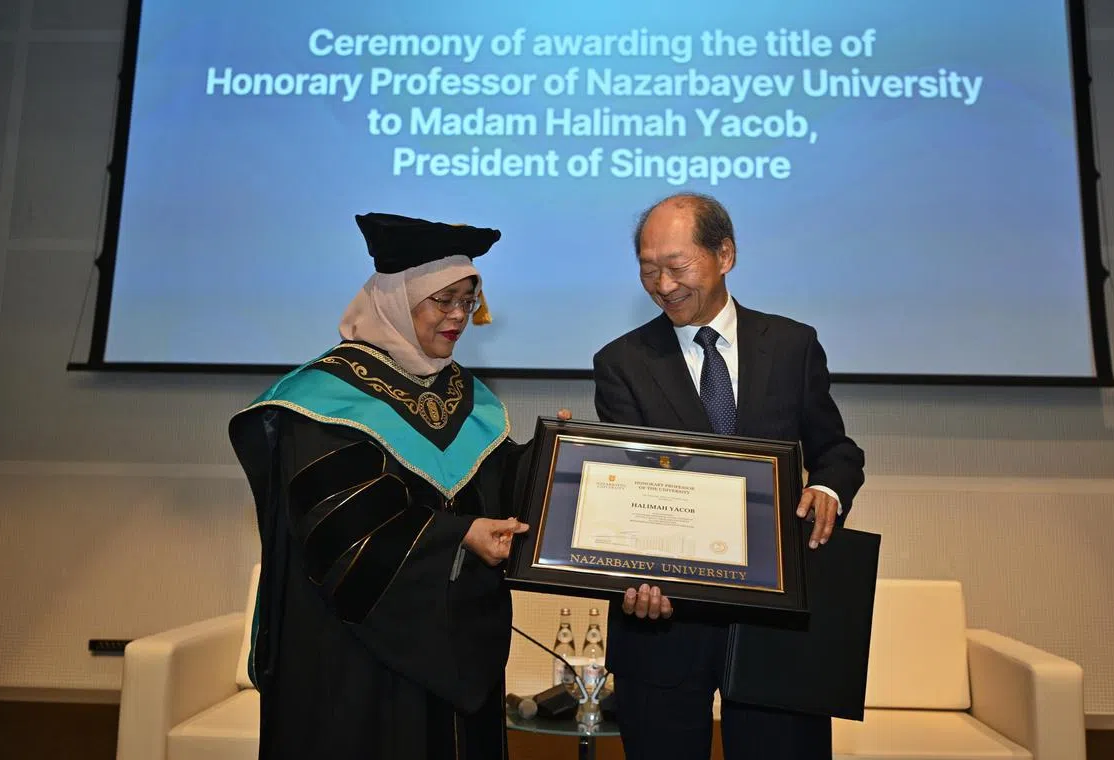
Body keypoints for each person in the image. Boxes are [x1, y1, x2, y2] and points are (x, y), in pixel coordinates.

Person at [229, 213, 542, 760]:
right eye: (442, 300)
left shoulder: (465, 396)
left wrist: (553, 462)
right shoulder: (325, 400)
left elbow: (486, 488)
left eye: (468, 301)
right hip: (353, 660)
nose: (458, 317)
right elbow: (341, 532)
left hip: (448, 650)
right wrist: (456, 537)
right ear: (397, 300)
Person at [591, 192, 866, 760]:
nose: (662, 285)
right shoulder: (621, 363)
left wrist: (828, 487)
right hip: (663, 624)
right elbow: (629, 495)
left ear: (725, 254)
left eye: (676, 266)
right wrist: (633, 574)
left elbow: (837, 450)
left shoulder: (792, 345)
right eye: (648, 269)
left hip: (777, 625)